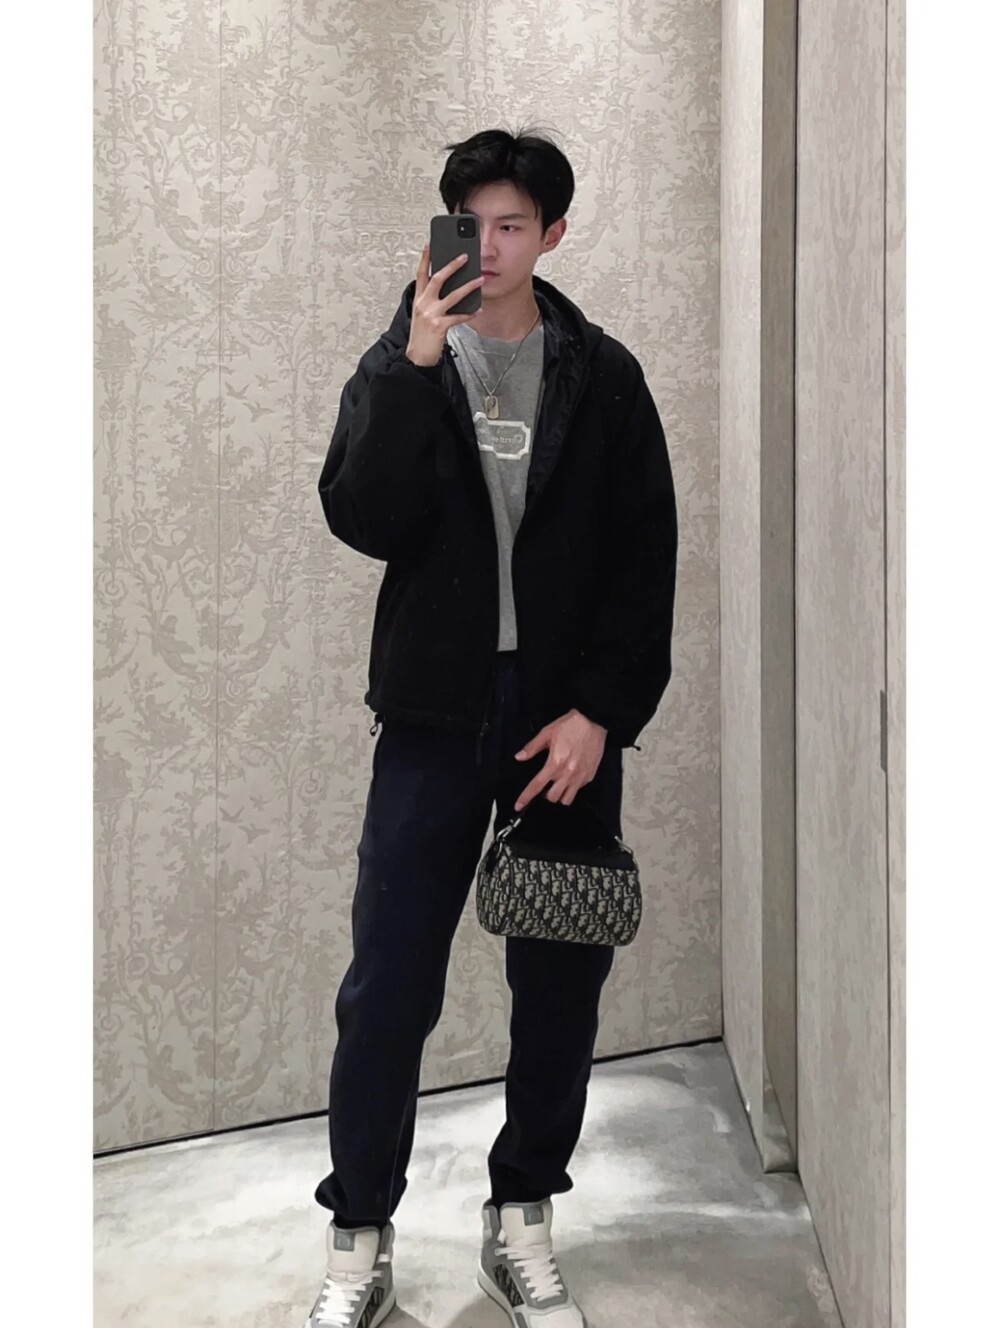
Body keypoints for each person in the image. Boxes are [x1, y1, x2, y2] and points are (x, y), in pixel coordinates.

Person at [306, 125, 678, 1328]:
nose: (491, 245)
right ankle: (359, 1233)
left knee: (559, 982)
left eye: (513, 224)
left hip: (559, 725)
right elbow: (361, 515)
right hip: (431, 715)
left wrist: (602, 712)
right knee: (386, 985)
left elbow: (644, 557)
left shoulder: (601, 375)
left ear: (552, 233)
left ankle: (521, 1217)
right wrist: (410, 365)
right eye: (471, 225)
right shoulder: (408, 358)